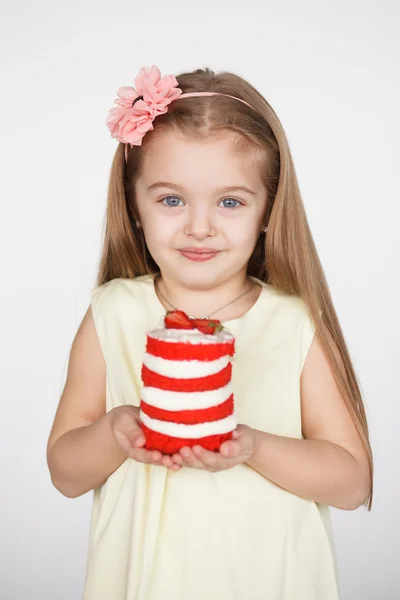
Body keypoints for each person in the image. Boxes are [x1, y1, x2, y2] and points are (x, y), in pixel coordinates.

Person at [46, 64, 373, 600]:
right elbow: (65, 473)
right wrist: (115, 432)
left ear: (268, 209)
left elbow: (350, 481)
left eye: (230, 202)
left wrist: (254, 447)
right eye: (171, 200)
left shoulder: (292, 324)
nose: (200, 226)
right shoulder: (113, 314)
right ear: (135, 205)